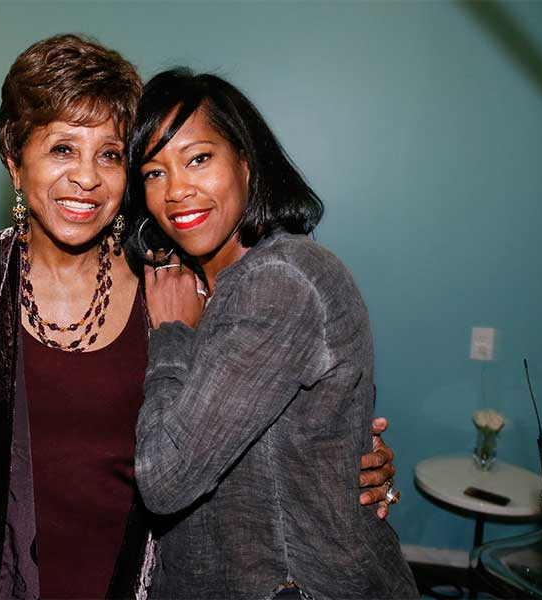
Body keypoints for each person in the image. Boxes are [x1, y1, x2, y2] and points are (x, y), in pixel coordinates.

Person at [0, 35, 397, 600]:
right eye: (61, 149)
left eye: (108, 154)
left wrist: (346, 461)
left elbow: (246, 423)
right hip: (2, 576)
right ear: (13, 160)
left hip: (144, 580)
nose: (87, 177)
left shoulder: (176, 285)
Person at [127, 69, 418, 599]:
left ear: (245, 159)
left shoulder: (280, 279)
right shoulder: (179, 280)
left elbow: (166, 478)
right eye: (153, 172)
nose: (177, 191)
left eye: (198, 158)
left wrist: (171, 335)